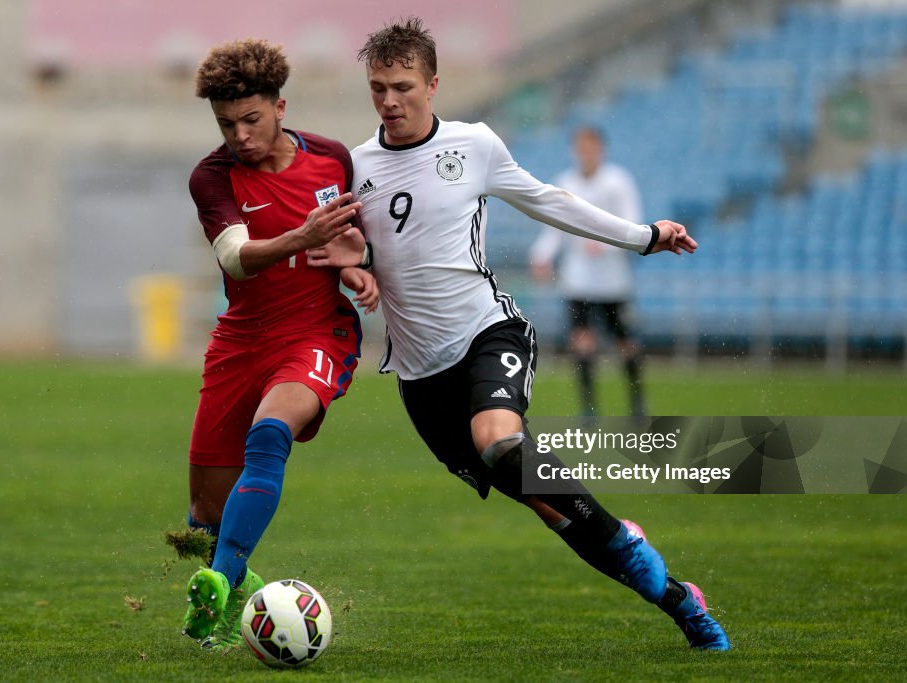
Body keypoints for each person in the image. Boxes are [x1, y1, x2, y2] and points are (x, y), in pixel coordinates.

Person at [308, 18, 729, 650]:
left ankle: (658, 578)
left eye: (402, 86)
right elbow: (353, 253)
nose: (389, 101)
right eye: (377, 88)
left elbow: (549, 201)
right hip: (422, 380)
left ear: (433, 85)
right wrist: (355, 272)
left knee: (501, 442)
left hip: (489, 333)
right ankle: (673, 595)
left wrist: (644, 237)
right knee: (553, 509)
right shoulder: (355, 166)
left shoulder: (473, 146)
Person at [181, 37, 377, 651]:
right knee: (204, 516)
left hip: (318, 332)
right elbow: (237, 261)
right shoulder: (212, 177)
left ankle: (221, 585)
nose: (239, 135)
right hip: (242, 340)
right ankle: (235, 585)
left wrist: (354, 267)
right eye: (226, 124)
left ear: (280, 106)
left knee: (269, 434)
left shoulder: (332, 159)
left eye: (251, 119)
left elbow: (348, 243)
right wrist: (303, 236)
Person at [529, 127, 648, 417]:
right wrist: (541, 255)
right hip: (578, 280)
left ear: (601, 149)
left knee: (626, 344)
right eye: (581, 147)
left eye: (591, 147)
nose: (586, 152)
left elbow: (634, 222)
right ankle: (589, 409)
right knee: (582, 343)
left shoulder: (618, 181)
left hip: (613, 281)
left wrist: (606, 246)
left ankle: (637, 404)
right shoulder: (565, 183)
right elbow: (555, 228)